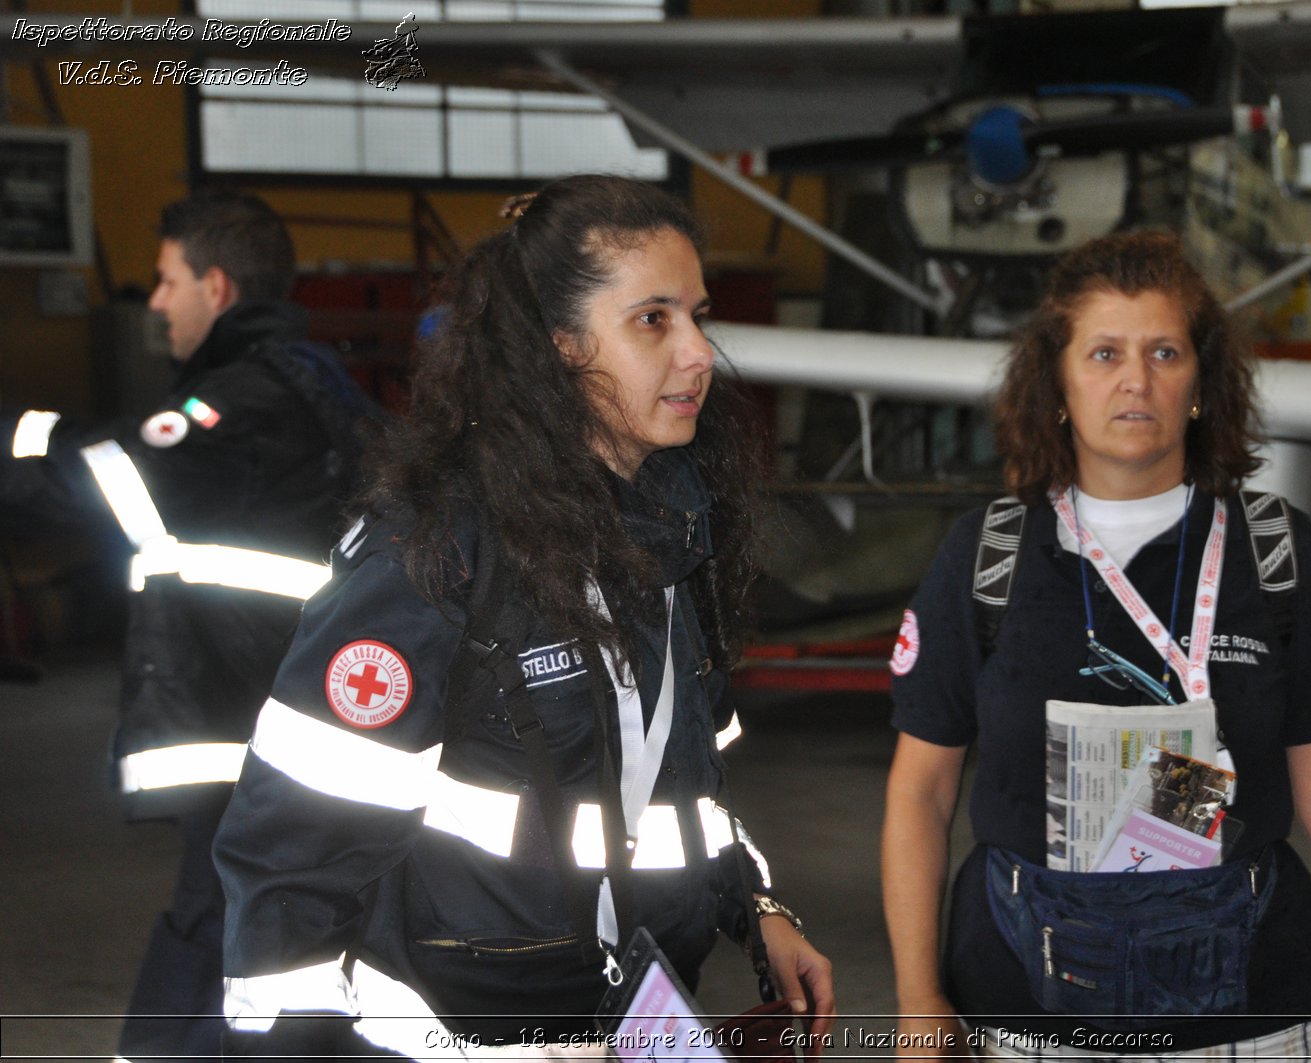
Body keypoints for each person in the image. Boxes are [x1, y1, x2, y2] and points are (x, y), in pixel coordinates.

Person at [212, 175, 837, 1059]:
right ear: (557, 349)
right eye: (653, 319)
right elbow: (292, 856)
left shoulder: (672, 530)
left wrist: (753, 900)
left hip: (627, 1018)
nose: (699, 352)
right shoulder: (434, 552)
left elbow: (680, 784)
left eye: (699, 315)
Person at [881, 232, 1311, 1060]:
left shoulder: (1276, 553)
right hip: (1024, 1007)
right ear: (1056, 384)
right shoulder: (985, 555)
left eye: (1164, 351)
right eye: (1103, 353)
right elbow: (921, 791)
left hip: (1247, 1010)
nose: (1136, 378)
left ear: (1201, 382)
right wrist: (919, 1003)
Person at [1, 191, 372, 1062]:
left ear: (216, 283)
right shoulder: (304, 380)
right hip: (297, 718)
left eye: (169, 280)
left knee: (222, 925)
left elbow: (100, 482)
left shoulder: (239, 404)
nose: (155, 301)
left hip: (259, 724)